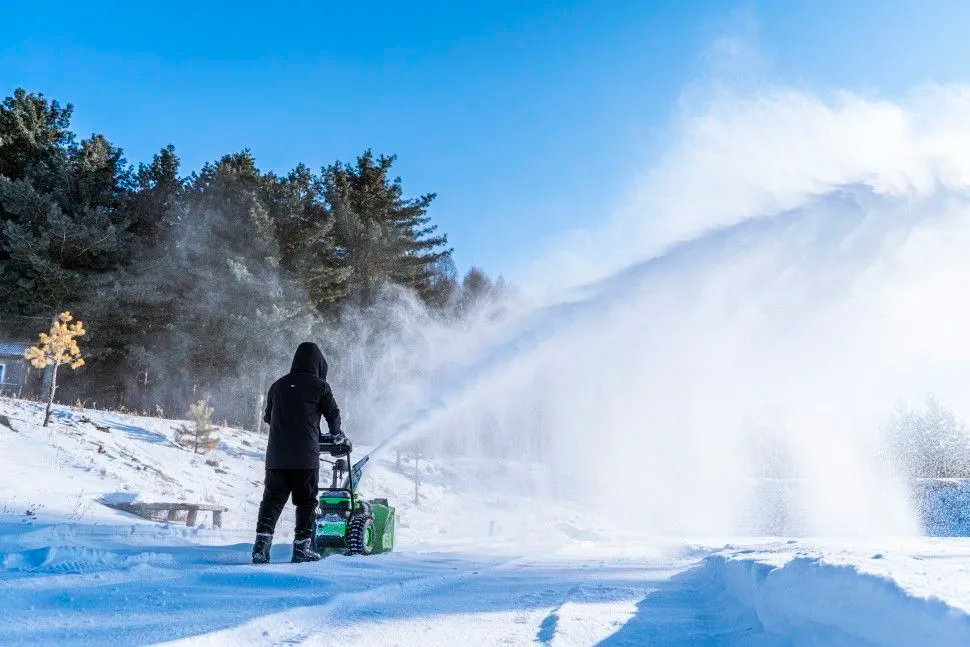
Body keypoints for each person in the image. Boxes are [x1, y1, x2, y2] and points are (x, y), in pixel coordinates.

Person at [252, 341, 343, 564]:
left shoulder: (277, 385)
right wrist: (336, 435)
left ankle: (260, 548)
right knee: (306, 502)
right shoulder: (320, 386)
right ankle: (301, 549)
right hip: (305, 458)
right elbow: (333, 415)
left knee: (271, 501)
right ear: (318, 364)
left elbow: (268, 417)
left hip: (276, 457)